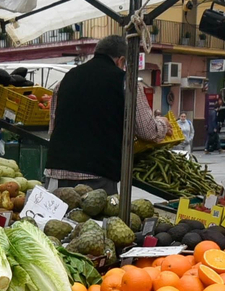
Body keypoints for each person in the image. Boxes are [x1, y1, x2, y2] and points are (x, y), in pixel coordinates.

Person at [45, 34, 169, 191]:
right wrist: (162, 124)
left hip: (57, 172)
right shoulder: (126, 82)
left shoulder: (66, 79)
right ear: (121, 60)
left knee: (57, 216)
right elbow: (147, 131)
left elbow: (52, 128)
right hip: (97, 177)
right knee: (95, 215)